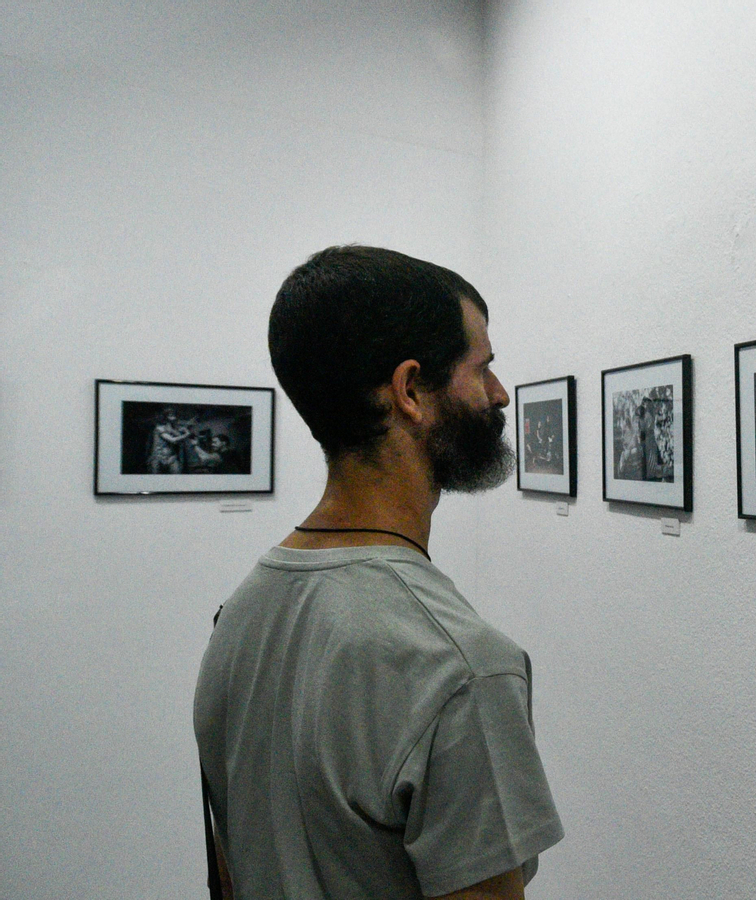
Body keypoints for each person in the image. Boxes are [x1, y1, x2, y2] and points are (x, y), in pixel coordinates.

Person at [194, 246, 563, 900]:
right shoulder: (460, 667)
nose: (500, 395)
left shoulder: (239, 615)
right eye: (483, 369)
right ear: (411, 390)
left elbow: (230, 868)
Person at [149, 407, 192, 474]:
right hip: (158, 457)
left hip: (171, 457)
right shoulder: (159, 428)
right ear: (165, 417)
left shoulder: (173, 429)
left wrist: (184, 430)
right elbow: (173, 440)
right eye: (170, 414)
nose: (173, 416)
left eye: (174, 414)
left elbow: (179, 438)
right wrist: (186, 434)